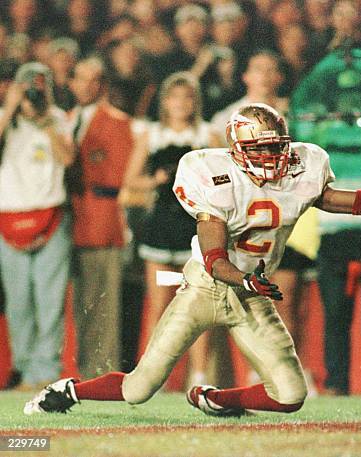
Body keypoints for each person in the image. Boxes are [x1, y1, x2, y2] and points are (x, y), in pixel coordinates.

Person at [23, 103, 361, 416]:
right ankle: (67, 392)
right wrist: (244, 279)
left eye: (275, 147)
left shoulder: (303, 168)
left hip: (251, 294)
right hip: (206, 287)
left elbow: (355, 202)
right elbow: (216, 257)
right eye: (259, 149)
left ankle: (214, 399)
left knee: (290, 396)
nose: (271, 157)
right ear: (237, 152)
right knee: (139, 388)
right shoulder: (214, 176)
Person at [122, 71, 212, 387]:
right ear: (165, 102)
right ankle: (151, 376)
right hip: (161, 232)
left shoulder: (207, 136)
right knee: (160, 304)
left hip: (196, 233)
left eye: (188, 97)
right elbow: (131, 179)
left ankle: (198, 377)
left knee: (198, 305)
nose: (181, 104)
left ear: (195, 102)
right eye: (175, 97)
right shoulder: (153, 136)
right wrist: (157, 180)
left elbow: (222, 179)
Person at [0, 62, 74, 390]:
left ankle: (45, 370)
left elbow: (67, 158)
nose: (33, 91)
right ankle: (24, 368)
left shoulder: (57, 118)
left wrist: (44, 122)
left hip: (51, 215)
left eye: (39, 86)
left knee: (50, 298)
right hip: (9, 217)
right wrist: (11, 107)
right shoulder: (4, 119)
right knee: (18, 300)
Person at [68, 56, 134, 379]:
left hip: (101, 222)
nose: (85, 85)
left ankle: (101, 373)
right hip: (68, 221)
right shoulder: (65, 119)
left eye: (93, 79)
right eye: (79, 78)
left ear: (103, 85)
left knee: (102, 305)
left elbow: (121, 177)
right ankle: (81, 370)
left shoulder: (118, 123)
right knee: (80, 304)